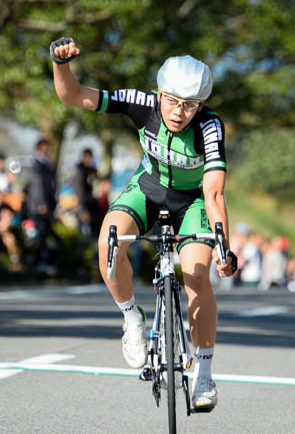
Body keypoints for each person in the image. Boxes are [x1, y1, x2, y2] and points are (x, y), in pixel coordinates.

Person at [50, 37, 236, 411]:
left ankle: (203, 374)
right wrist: (60, 65)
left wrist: (223, 246)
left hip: (193, 201)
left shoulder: (210, 127)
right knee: (109, 242)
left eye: (190, 105)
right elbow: (75, 97)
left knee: (197, 277)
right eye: (172, 100)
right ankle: (132, 318)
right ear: (158, 93)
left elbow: (214, 193)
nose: (179, 112)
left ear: (201, 105)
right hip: (148, 189)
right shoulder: (142, 104)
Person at [25, 138, 60, 269]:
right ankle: (38, 261)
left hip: (47, 206)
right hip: (39, 207)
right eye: (46, 147)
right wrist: (42, 204)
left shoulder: (46, 164)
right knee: (40, 234)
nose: (49, 150)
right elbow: (37, 186)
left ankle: (43, 261)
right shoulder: (36, 165)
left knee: (45, 234)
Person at [71, 148, 100, 238]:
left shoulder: (91, 170)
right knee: (84, 236)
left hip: (92, 208)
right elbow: (79, 191)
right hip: (84, 208)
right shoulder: (80, 172)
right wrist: (83, 210)